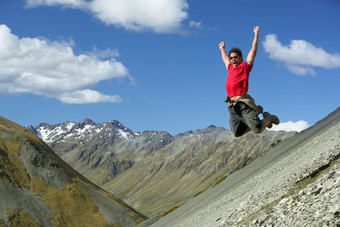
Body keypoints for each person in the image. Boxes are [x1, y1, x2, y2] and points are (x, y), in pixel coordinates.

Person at [219, 26, 279, 137]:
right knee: (237, 133)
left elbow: (253, 51)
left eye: (235, 57)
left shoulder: (245, 67)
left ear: (241, 58)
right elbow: (225, 59)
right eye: (232, 57)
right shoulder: (230, 68)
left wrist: (256, 34)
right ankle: (256, 123)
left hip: (242, 103)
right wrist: (222, 48)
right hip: (232, 105)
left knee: (258, 129)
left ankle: (268, 118)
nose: (233, 59)